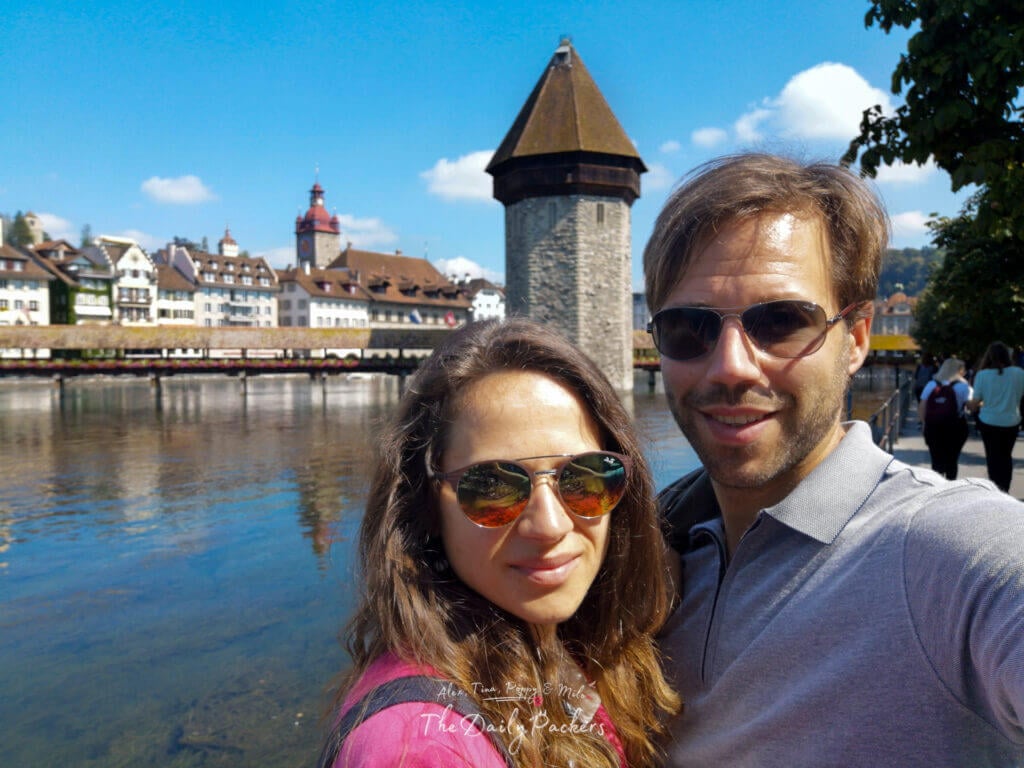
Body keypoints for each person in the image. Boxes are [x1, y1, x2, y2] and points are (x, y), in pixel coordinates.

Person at [643, 153, 1024, 767]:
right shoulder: (650, 550)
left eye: (782, 321)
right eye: (690, 328)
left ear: (858, 338)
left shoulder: (945, 552)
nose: (731, 366)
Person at [317, 318, 678, 768]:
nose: (549, 526)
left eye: (585, 477)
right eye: (491, 487)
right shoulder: (422, 747)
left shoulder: (567, 647)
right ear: (425, 506)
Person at [967, 341, 1024, 492]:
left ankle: (995, 489)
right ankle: (1005, 488)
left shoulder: (982, 375)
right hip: (1012, 420)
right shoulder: (1019, 373)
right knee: (1006, 456)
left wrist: (969, 404)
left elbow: (976, 401)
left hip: (989, 421)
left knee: (992, 457)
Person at [918, 357, 971, 479]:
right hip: (956, 427)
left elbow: (922, 406)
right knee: (952, 460)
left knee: (936, 460)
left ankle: (937, 487)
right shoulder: (963, 386)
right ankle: (950, 486)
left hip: (933, 428)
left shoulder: (932, 384)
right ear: (958, 370)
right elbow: (969, 406)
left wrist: (923, 424)